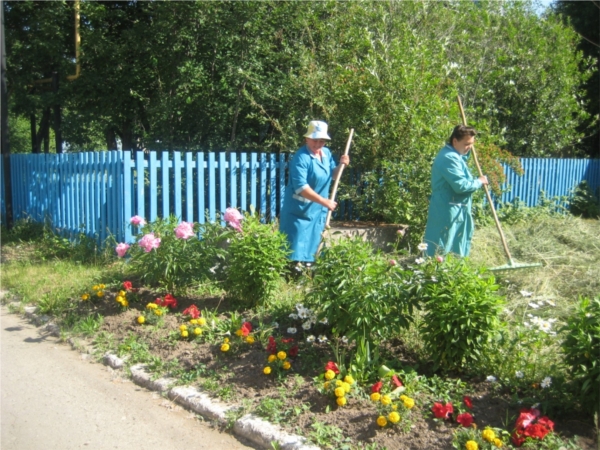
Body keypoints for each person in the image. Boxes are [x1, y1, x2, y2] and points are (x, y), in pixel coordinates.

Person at [279, 120, 350, 263]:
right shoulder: (301, 157)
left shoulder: (326, 153)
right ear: (307, 138)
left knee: (313, 247)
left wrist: (343, 165)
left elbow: (333, 175)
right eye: (314, 140)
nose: (317, 144)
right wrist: (324, 201)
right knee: (294, 248)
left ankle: (309, 274)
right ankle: (291, 277)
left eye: (321, 141)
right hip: (298, 211)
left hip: (317, 211)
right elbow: (301, 188)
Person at [423, 125, 489, 257]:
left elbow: (463, 159)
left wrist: (467, 149)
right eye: (466, 144)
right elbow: (461, 186)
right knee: (442, 244)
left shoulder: (455, 156)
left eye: (471, 144)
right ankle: (435, 274)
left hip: (455, 207)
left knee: (454, 244)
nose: (469, 147)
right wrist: (479, 181)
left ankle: (451, 274)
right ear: (454, 141)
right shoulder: (449, 158)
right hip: (447, 210)